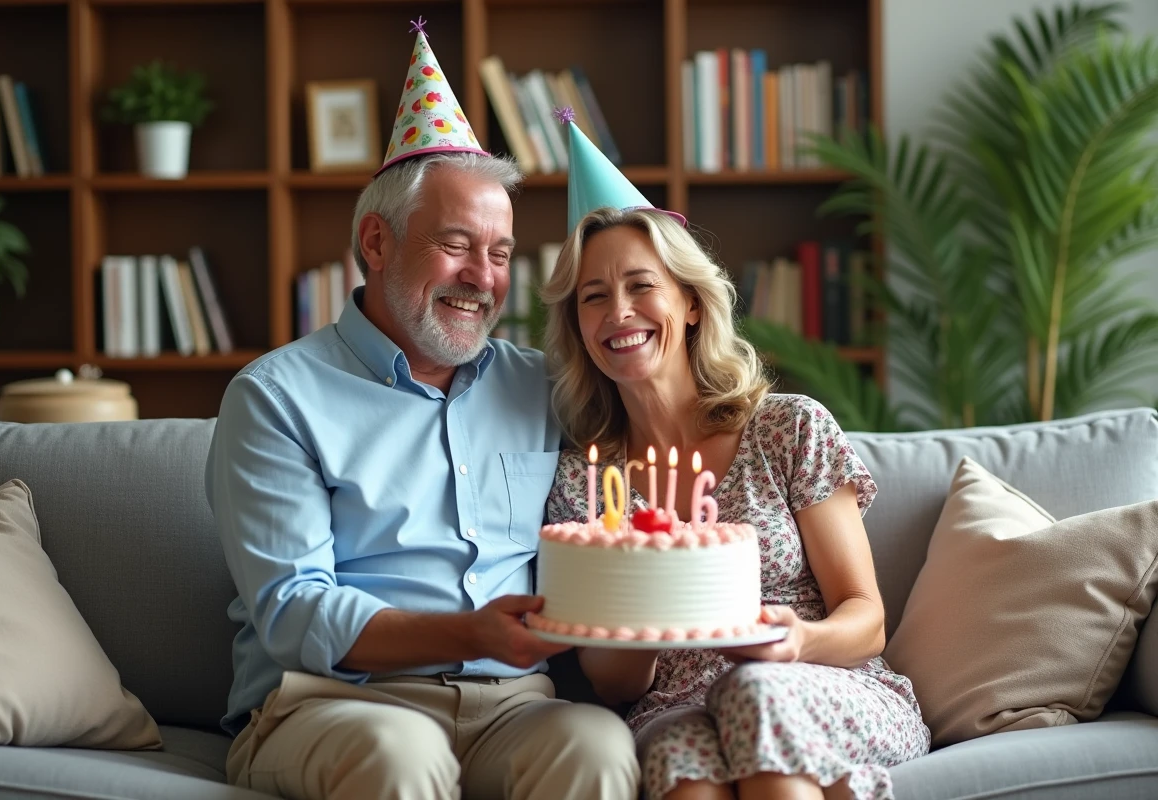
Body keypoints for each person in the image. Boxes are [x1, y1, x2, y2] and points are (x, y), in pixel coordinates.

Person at [204, 28, 639, 800]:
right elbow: (293, 612)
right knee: (400, 753)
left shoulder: (543, 385)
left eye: (501, 254)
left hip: (515, 706)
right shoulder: (274, 398)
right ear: (376, 241)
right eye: (455, 245)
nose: (482, 277)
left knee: (597, 744)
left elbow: (652, 418)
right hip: (334, 703)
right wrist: (469, 633)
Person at [539, 113, 931, 800]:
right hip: (677, 707)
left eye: (641, 286)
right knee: (685, 772)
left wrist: (797, 642)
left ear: (690, 303)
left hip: (826, 682)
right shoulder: (586, 483)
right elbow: (614, 683)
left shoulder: (788, 430)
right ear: (577, 325)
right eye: (593, 297)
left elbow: (866, 618)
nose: (618, 313)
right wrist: (643, 592)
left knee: (756, 693)